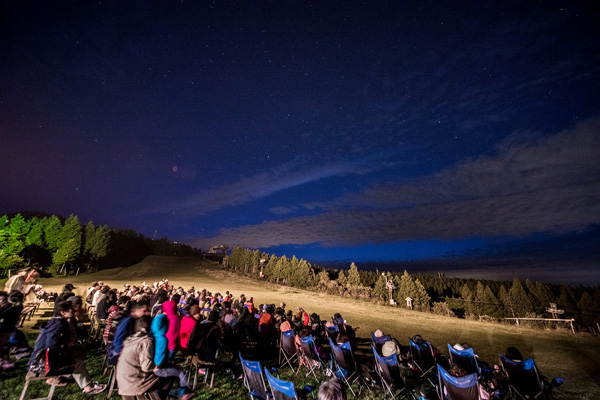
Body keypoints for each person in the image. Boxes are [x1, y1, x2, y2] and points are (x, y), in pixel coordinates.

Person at [28, 301, 106, 395]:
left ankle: (59, 378)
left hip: (39, 359)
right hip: (40, 363)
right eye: (70, 309)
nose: (73, 310)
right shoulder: (59, 324)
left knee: (80, 353)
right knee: (76, 362)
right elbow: (51, 346)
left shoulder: (56, 321)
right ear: (63, 313)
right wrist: (66, 346)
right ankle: (89, 388)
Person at [116, 316, 174, 399]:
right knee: (169, 376)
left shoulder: (133, 338)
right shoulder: (146, 341)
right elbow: (146, 367)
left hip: (123, 382)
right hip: (133, 385)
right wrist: (157, 366)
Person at [108, 300, 150, 364]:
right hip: (119, 354)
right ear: (134, 311)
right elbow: (118, 343)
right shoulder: (128, 322)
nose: (147, 313)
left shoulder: (134, 321)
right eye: (144, 311)